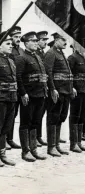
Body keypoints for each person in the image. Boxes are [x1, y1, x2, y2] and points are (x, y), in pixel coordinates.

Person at [15, 32, 47, 162]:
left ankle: (34, 149)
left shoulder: (37, 57)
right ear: (26, 43)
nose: (35, 42)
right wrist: (23, 93)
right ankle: (25, 151)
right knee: (25, 122)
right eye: (33, 41)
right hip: (29, 95)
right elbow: (18, 77)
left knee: (36, 122)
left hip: (39, 94)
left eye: (36, 40)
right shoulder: (22, 58)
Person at [44, 33, 75, 157]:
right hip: (57, 91)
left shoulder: (61, 53)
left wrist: (71, 87)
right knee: (53, 117)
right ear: (56, 40)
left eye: (66, 40)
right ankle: (51, 147)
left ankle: (56, 145)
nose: (65, 42)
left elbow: (67, 73)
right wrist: (52, 89)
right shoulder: (51, 53)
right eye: (63, 40)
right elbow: (48, 72)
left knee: (61, 117)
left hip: (65, 91)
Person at [68, 47, 85, 153]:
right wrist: (72, 87)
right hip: (77, 90)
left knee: (82, 116)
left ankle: (79, 142)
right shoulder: (72, 57)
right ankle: (73, 143)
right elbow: (69, 74)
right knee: (75, 115)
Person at [0, 31, 17, 167]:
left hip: (11, 97)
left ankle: (3, 154)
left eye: (11, 44)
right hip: (1, 98)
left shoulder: (11, 61)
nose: (11, 46)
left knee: (6, 127)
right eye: (7, 44)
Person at [7, 26, 23, 149]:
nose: (18, 39)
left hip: (18, 86)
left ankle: (10, 138)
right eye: (15, 37)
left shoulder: (21, 51)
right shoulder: (8, 51)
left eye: (19, 36)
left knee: (13, 114)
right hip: (9, 86)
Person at [36, 31, 49, 147]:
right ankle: (35, 137)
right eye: (43, 40)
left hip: (44, 88)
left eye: (46, 40)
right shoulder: (36, 54)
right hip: (36, 88)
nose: (45, 42)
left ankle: (38, 136)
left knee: (41, 113)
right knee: (36, 114)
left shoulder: (42, 53)